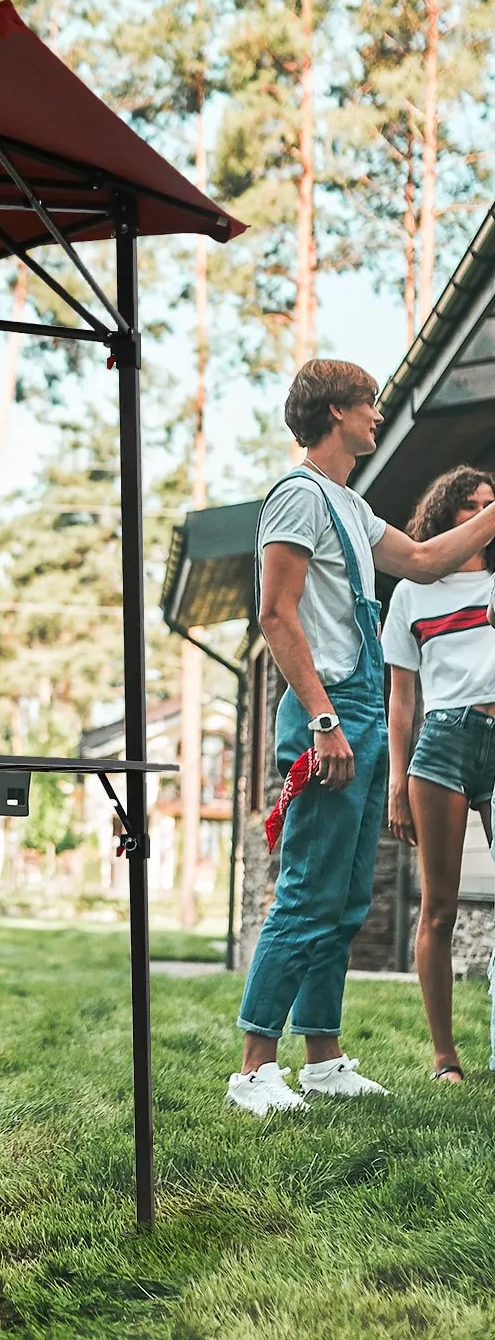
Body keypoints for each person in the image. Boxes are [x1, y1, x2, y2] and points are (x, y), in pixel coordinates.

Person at [227, 360, 495, 1116]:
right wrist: (322, 721)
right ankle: (253, 1068)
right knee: (308, 893)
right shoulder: (299, 496)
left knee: (346, 901)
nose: (379, 416)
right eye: (370, 404)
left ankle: (322, 1058)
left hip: (365, 713)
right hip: (329, 709)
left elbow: (422, 558)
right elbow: (276, 616)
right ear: (336, 411)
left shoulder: (348, 502)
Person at [383, 466, 495, 1083]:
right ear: (446, 515)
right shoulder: (413, 592)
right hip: (445, 743)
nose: (484, 515)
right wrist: (397, 782)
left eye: (492, 505)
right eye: (471, 506)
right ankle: (445, 1058)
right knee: (439, 909)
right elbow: (402, 699)